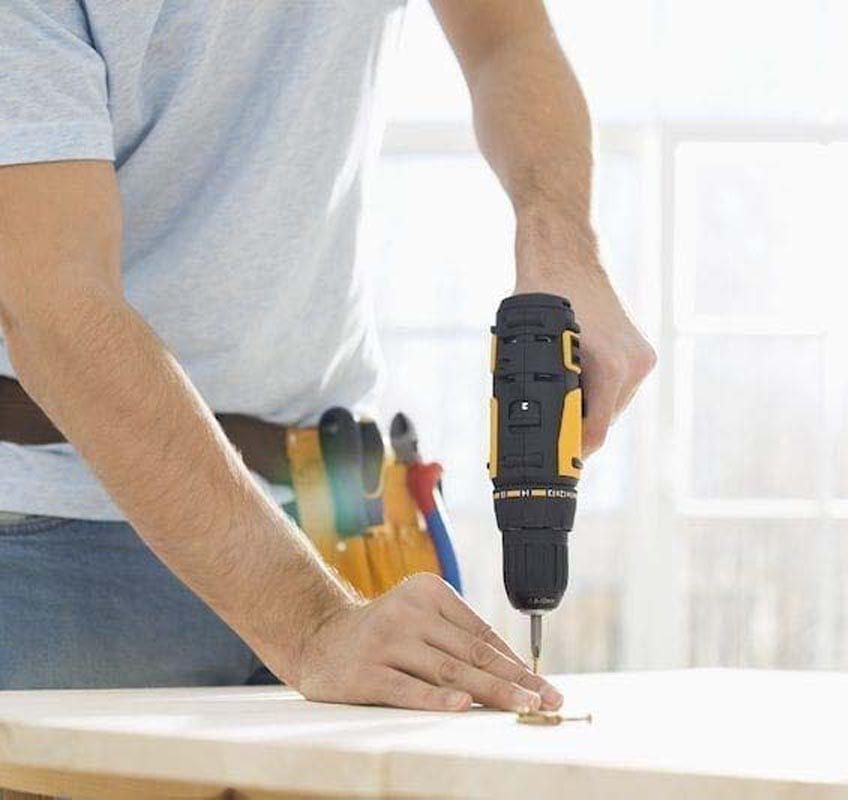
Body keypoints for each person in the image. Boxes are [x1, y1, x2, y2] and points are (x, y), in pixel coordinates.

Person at [0, 0, 655, 713]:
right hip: (57, 536)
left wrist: (558, 238)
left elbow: (506, 37)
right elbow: (54, 306)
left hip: (344, 508)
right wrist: (312, 624)